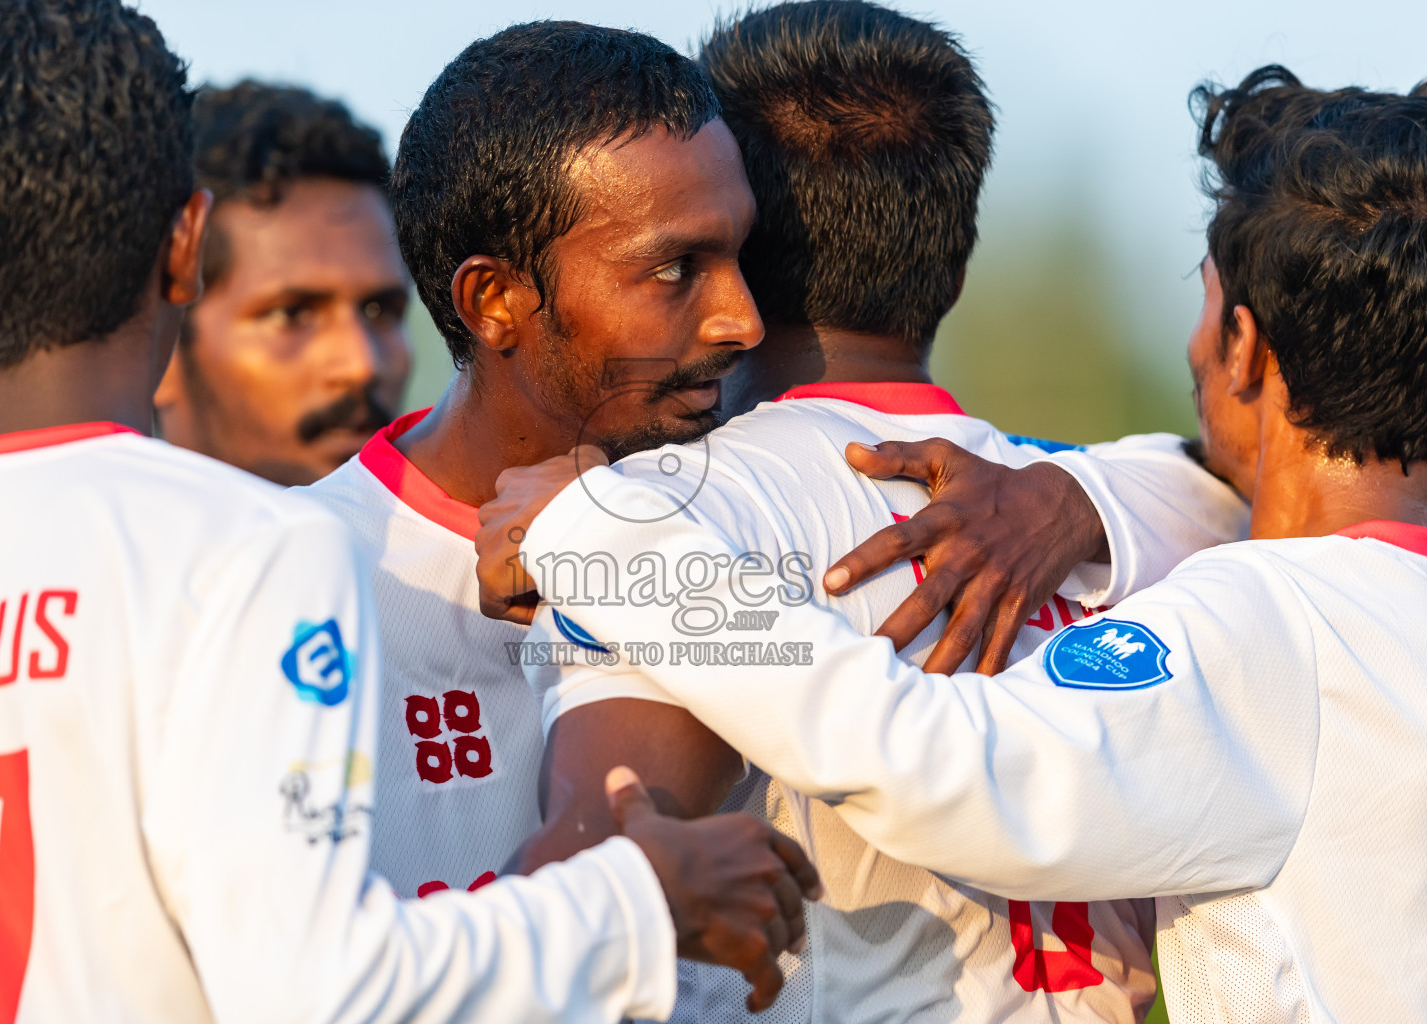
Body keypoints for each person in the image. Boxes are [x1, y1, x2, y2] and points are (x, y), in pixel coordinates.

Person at [0, 2, 817, 1021]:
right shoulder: (269, 549)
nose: (742, 318)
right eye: (677, 267)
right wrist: (637, 900)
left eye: (374, 310)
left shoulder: (814, 498)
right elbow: (315, 987)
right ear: (189, 246)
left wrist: (1029, 489)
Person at [476, 66, 1427, 1021]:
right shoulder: (1259, 568)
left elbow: (935, 761)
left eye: (1204, 303)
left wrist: (600, 536)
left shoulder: (1268, 623)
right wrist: (1079, 496)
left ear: (1248, 347)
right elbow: (1198, 486)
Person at [299, 20, 769, 907]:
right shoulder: (302, 578)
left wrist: (1071, 499)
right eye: (676, 269)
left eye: (743, 255)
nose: (741, 320)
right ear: (498, 300)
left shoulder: (773, 511)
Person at [154, 82, 412, 485]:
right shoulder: (66, 545)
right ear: (160, 345)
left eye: (380, 310)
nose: (362, 365)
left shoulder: (511, 542)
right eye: (291, 314)